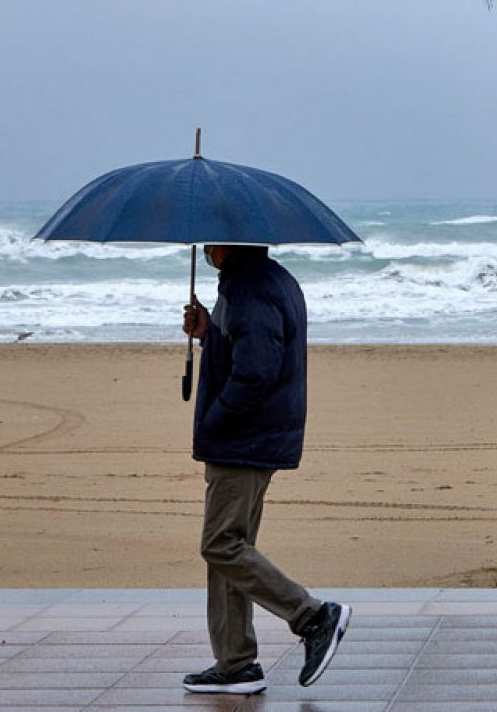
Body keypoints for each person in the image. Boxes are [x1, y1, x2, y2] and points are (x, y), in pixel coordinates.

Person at [179, 243, 350, 695]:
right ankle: (235, 663)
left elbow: (256, 370)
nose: (206, 252)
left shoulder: (249, 287)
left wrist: (217, 418)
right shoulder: (265, 280)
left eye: (210, 243)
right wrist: (208, 333)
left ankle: (313, 616)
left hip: (242, 439)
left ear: (225, 245)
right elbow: (246, 348)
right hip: (253, 436)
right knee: (233, 547)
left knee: (220, 545)